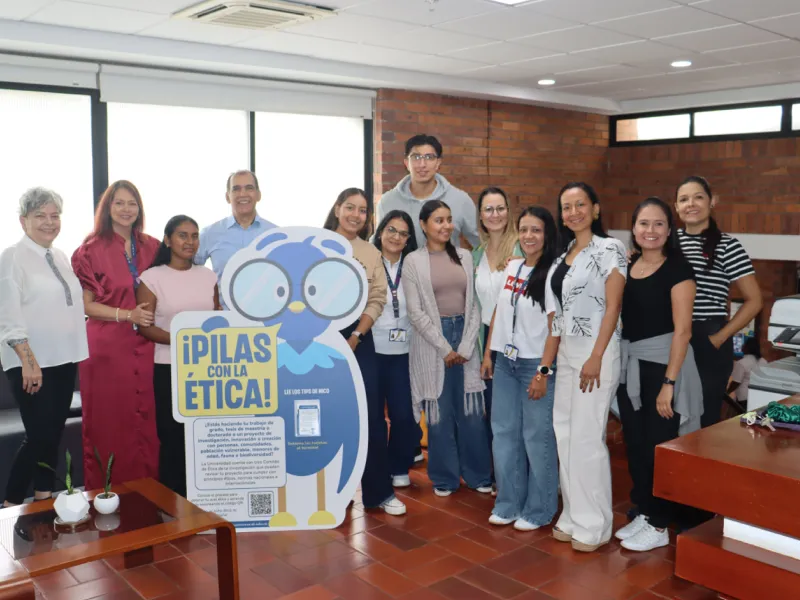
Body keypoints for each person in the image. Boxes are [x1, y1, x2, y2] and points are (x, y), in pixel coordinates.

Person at [614, 197, 701, 552]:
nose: (651, 231)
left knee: (659, 450)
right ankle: (644, 511)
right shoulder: (629, 266)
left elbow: (682, 332)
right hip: (632, 368)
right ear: (633, 229)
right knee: (635, 446)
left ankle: (660, 522)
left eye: (659, 224)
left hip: (665, 369)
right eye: (644, 224)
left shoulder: (678, 270)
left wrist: (669, 383)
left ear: (669, 230)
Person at [544, 182, 626, 552]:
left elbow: (612, 306)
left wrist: (596, 355)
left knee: (588, 439)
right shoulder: (564, 254)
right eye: (566, 206)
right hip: (567, 354)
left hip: (597, 353)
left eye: (580, 204)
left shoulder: (611, 248)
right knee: (565, 434)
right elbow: (557, 312)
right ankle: (573, 514)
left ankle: (595, 525)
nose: (573, 211)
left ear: (595, 208)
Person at [0, 188, 89, 507]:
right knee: (39, 436)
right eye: (40, 216)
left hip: (64, 359)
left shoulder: (60, 256)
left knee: (50, 436)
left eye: (55, 216)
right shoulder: (13, 256)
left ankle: (42, 502)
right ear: (23, 221)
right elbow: (8, 314)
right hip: (31, 362)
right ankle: (9, 506)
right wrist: (28, 360)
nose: (49, 223)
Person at [323, 188, 407, 516]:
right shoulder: (318, 244)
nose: (356, 215)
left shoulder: (369, 252)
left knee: (371, 415)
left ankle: (378, 493)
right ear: (337, 208)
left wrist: (357, 334)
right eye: (350, 207)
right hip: (319, 337)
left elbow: (377, 297)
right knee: (328, 414)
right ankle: (333, 494)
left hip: (360, 337)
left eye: (362, 210)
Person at [72, 180, 160, 491]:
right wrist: (128, 315)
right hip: (106, 347)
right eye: (119, 203)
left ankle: (149, 493)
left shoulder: (153, 246)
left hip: (147, 346)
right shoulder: (89, 250)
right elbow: (88, 306)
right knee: (110, 425)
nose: (126, 209)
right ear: (108, 208)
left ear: (140, 209)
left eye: (132, 203)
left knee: (146, 421)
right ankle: (106, 493)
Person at [403, 199, 492, 497]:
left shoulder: (466, 256)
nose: (446, 225)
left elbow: (475, 303)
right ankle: (444, 478)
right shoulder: (413, 261)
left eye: (449, 219)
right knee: (439, 413)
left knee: (472, 412)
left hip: (465, 335)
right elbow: (416, 312)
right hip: (432, 341)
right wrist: (444, 347)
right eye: (439, 220)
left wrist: (466, 345)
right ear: (424, 225)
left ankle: (479, 475)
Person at [481, 206, 559, 531]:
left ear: (547, 234)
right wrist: (489, 353)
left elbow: (557, 327)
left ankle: (540, 509)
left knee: (536, 437)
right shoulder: (512, 266)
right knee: (503, 434)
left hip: (534, 365)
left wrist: (543, 371)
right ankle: (509, 503)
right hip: (505, 363)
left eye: (536, 230)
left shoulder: (554, 271)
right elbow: (500, 311)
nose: (529, 236)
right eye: (524, 229)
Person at [136, 215, 219, 497]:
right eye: (182, 235)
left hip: (207, 370)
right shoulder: (152, 278)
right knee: (172, 438)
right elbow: (145, 327)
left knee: (204, 436)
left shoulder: (209, 276)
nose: (190, 241)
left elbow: (219, 320)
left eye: (194, 236)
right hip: (169, 367)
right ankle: (174, 504)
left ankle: (205, 498)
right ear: (168, 240)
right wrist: (186, 341)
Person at [675, 176, 762, 428]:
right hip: (669, 337)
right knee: (666, 417)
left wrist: (719, 337)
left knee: (700, 422)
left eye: (698, 197)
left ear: (712, 202)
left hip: (708, 339)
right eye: (684, 199)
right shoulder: (667, 243)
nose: (690, 204)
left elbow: (754, 300)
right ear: (676, 206)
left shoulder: (727, 245)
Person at [473, 186, 522, 484]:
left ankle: (518, 477)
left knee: (516, 413)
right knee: (494, 412)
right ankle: (500, 476)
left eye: (500, 208)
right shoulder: (476, 253)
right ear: (480, 215)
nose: (495, 214)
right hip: (486, 339)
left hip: (515, 339)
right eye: (489, 209)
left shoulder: (520, 247)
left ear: (509, 211)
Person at [372, 210, 419, 489]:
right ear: (380, 231)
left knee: (403, 414)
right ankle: (377, 468)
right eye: (391, 230)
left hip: (404, 351)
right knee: (375, 415)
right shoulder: (368, 261)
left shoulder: (412, 265)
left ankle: (399, 464)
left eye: (403, 233)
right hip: (372, 349)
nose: (396, 237)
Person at [377, 134, 479, 248]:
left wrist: (470, 264)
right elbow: (377, 244)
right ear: (406, 163)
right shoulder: (387, 201)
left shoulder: (460, 200)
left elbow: (481, 242)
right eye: (416, 157)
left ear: (438, 163)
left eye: (429, 157)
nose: (422, 164)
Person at [195, 170, 277, 287]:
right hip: (222, 306)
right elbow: (186, 267)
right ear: (227, 197)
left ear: (258, 195)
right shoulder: (210, 233)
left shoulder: (275, 235)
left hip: (268, 305)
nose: (243, 194)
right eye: (236, 189)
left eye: (249, 188)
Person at [728, 337, 767, 408]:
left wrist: (726, 393)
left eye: (744, 344)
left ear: (747, 347)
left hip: (744, 398)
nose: (742, 346)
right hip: (759, 396)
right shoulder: (763, 361)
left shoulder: (741, 363)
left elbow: (736, 382)